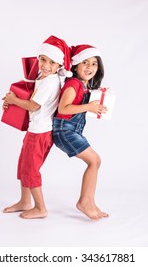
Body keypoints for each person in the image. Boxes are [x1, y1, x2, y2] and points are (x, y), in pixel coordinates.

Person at [2, 35, 71, 219]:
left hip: (40, 132)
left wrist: (14, 100)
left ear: (59, 66)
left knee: (31, 169)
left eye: (52, 62)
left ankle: (41, 208)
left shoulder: (50, 82)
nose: (46, 65)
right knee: (24, 165)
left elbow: (34, 105)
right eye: (43, 59)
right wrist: (13, 99)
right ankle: (25, 201)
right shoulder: (43, 77)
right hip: (35, 129)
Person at [52, 44, 109, 220]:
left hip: (72, 130)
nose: (90, 67)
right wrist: (89, 107)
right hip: (64, 130)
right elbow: (64, 108)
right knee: (94, 161)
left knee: (95, 161)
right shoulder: (73, 83)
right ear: (76, 66)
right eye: (85, 62)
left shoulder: (83, 86)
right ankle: (84, 202)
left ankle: (89, 202)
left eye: (94, 64)